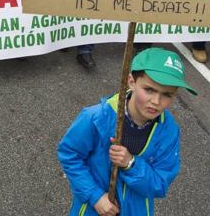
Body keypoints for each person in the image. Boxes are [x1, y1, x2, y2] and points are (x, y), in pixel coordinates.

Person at [58, 47, 198, 216]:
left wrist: (131, 164)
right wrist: (95, 196)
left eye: (167, 94)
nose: (156, 101)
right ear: (131, 82)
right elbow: (70, 155)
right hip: (93, 210)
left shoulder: (169, 131)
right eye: (149, 90)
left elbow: (160, 184)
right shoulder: (95, 117)